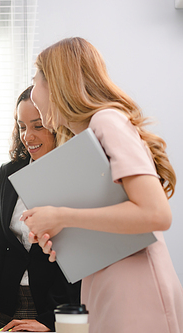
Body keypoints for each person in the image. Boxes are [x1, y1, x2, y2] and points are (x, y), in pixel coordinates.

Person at [23, 37, 183, 333]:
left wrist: (63, 216)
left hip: (135, 291)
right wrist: (64, 237)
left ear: (57, 83)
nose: (33, 94)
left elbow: (156, 214)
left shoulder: (107, 120)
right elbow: (109, 219)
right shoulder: (83, 141)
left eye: (36, 81)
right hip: (104, 288)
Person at [0, 86, 80, 332]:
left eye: (37, 126)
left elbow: (82, 258)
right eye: (21, 126)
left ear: (58, 124)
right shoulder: (9, 173)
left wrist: (52, 320)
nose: (27, 136)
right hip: (5, 304)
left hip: (54, 308)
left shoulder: (78, 176)